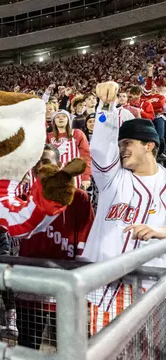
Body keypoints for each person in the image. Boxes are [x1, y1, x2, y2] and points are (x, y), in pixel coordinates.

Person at [81, 81, 166, 335]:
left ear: (148, 145)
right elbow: (99, 148)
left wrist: (159, 232)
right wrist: (106, 106)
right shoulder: (112, 178)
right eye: (119, 144)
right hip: (109, 288)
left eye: (127, 143)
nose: (121, 150)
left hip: (154, 289)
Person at [16, 144, 94, 350]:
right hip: (31, 283)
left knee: (68, 346)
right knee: (27, 346)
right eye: (38, 162)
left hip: (64, 282)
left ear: (59, 165)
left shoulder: (79, 197)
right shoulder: (24, 196)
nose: (41, 166)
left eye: (47, 162)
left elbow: (86, 236)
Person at [47, 110, 92, 190]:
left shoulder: (77, 133)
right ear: (54, 121)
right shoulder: (49, 137)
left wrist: (86, 177)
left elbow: (85, 156)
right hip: (54, 177)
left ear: (68, 120)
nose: (61, 119)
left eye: (64, 116)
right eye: (58, 117)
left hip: (74, 177)